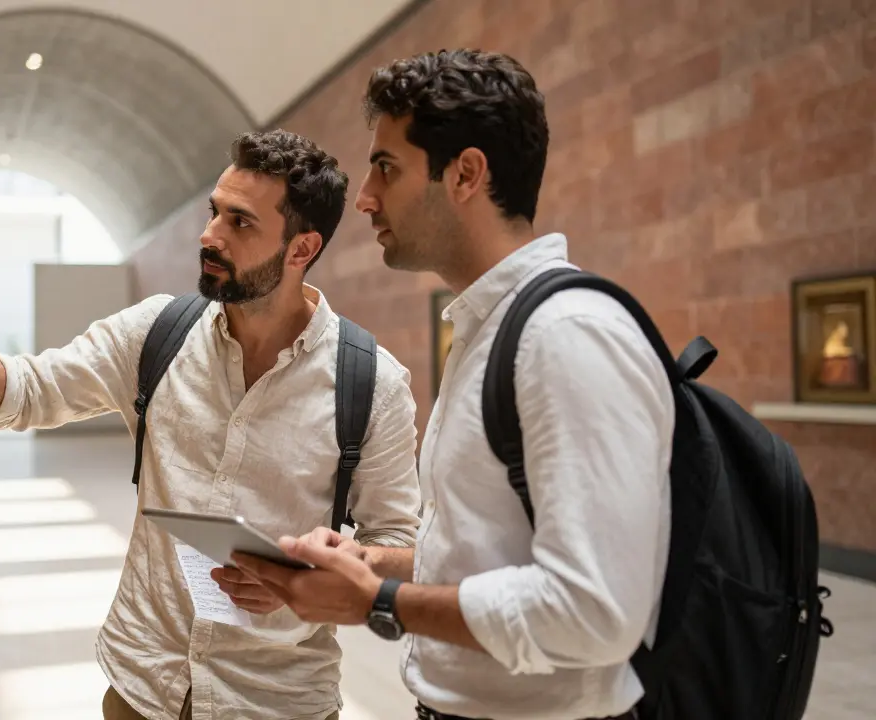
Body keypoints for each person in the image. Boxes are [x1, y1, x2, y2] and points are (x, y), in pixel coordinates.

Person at [0, 129, 423, 720]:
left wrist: (319, 572)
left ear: (300, 249)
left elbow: (401, 545)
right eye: (214, 211)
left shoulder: (372, 383)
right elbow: (22, 394)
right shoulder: (157, 333)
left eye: (240, 222)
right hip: (143, 685)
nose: (210, 235)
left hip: (276, 700)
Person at [233, 49, 673, 720]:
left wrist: (378, 603)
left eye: (387, 167)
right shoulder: (490, 329)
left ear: (466, 174)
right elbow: (487, 553)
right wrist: (368, 563)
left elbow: (597, 612)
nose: (365, 197)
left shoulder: (566, 336)